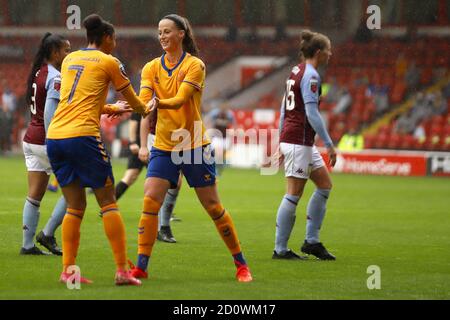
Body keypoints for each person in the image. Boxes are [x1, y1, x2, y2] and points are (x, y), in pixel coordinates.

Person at [128, 14, 252, 282]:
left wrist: (153, 103)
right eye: (159, 32)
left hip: (194, 143)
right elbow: (144, 106)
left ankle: (241, 265)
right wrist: (123, 106)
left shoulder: (195, 65)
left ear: (181, 34)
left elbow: (180, 99)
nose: (162, 36)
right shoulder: (151, 68)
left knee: (213, 207)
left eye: (167, 31)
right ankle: (141, 267)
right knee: (150, 201)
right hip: (163, 145)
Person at [46, 14, 150, 286]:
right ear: (106, 38)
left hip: (56, 136)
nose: (114, 44)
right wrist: (144, 109)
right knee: (108, 201)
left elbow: (74, 99)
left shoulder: (70, 60)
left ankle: (68, 270)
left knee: (75, 205)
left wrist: (110, 108)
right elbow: (132, 97)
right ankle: (121, 271)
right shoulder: (109, 61)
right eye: (114, 39)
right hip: (83, 137)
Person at [274, 30, 337, 260]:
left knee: (324, 185)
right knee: (293, 193)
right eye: (328, 50)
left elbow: (283, 109)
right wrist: (329, 144)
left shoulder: (295, 72)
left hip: (298, 141)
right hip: (298, 140)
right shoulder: (310, 75)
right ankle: (280, 249)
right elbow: (311, 113)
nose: (331, 54)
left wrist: (280, 139)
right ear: (319, 52)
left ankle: (311, 241)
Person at [20, 33, 71, 255]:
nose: (68, 54)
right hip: (45, 141)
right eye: (66, 50)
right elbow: (50, 114)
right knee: (76, 187)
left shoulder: (37, 72)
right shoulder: (56, 77)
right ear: (54, 53)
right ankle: (48, 233)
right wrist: (55, 143)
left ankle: (27, 245)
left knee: (35, 194)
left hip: (30, 140)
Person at [139, 111, 181, 243]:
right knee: (157, 186)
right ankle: (161, 227)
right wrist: (143, 146)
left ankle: (163, 227)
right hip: (157, 139)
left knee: (177, 184)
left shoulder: (187, 91)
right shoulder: (157, 91)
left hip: (180, 139)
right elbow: (145, 117)